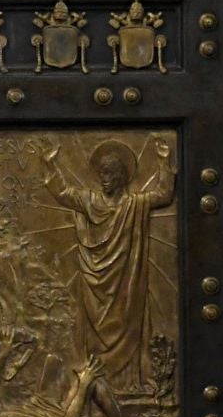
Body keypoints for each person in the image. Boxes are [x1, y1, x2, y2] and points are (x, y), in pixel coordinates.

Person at [42, 138, 174, 391]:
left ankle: (129, 385)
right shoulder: (90, 201)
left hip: (127, 281)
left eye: (111, 173)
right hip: (95, 285)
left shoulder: (135, 204)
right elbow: (63, 193)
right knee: (94, 337)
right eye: (102, 173)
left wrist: (165, 161)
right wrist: (51, 165)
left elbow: (165, 194)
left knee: (129, 327)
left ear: (122, 177)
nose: (105, 178)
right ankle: (96, 389)